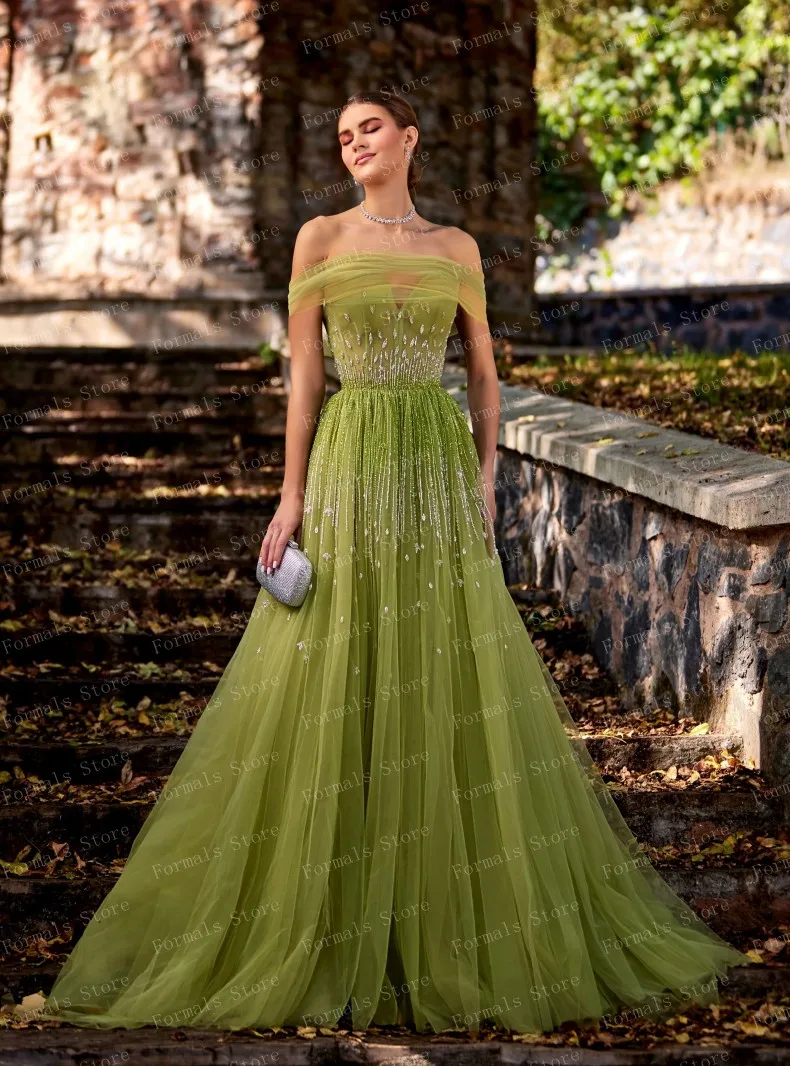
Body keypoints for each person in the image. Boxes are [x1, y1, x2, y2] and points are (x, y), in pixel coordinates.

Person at [43, 91, 748, 1035]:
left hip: (432, 466)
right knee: (331, 661)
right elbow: (303, 375)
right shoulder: (320, 241)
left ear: (410, 138)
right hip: (349, 460)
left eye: (369, 126)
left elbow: (487, 373)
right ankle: (317, 924)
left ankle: (445, 928)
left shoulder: (458, 250)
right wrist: (291, 495)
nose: (353, 142)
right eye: (341, 134)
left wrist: (487, 476)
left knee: (441, 661)